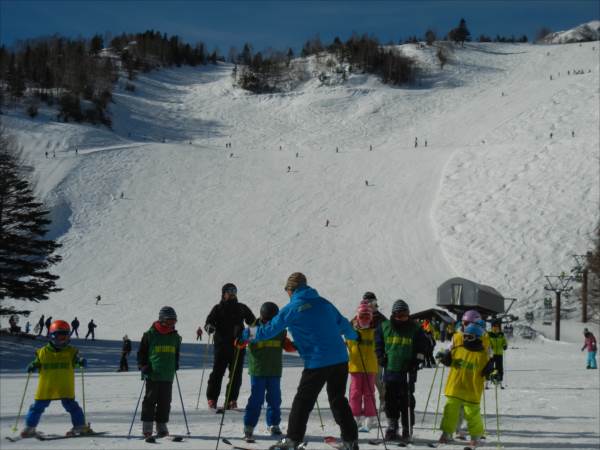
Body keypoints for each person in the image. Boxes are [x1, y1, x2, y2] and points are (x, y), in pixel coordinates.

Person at [241, 272, 360, 450]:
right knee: (338, 399)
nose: (287, 293)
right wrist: (355, 336)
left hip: (317, 361)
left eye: (287, 290)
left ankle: (292, 440)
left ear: (292, 289)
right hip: (340, 359)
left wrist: (246, 334)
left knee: (303, 402)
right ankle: (350, 441)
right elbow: (343, 324)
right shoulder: (324, 302)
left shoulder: (292, 308)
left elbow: (267, 330)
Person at [20, 320, 91, 438]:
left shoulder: (71, 351)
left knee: (72, 406)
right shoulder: (43, 352)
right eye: (59, 335)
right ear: (52, 335)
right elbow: (38, 362)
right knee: (37, 407)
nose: (62, 339)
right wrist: (33, 365)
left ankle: (79, 426)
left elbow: (77, 362)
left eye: (65, 335)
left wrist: (81, 362)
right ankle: (30, 428)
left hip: (65, 385)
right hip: (47, 385)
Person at [375, 299, 428, 443]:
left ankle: (407, 428)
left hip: (408, 371)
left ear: (408, 315)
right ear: (393, 314)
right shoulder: (384, 327)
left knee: (407, 401)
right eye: (399, 315)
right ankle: (392, 427)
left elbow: (423, 347)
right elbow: (378, 343)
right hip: (391, 369)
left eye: (405, 315)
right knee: (390, 400)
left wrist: (416, 360)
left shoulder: (415, 328)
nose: (402, 318)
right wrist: (380, 357)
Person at [435, 323, 495, 448]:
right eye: (465, 336)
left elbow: (488, 371)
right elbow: (449, 360)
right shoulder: (458, 349)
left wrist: (493, 373)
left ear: (478, 338)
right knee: (450, 411)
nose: (466, 339)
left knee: (472, 414)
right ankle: (447, 433)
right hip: (455, 387)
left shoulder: (483, 355)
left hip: (471, 390)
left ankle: (475, 436)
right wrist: (443, 357)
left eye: (470, 337)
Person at [242, 302, 295, 440]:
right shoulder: (254, 329)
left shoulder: (279, 330)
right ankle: (249, 426)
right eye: (267, 320)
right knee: (256, 399)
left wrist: (297, 345)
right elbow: (242, 340)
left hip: (274, 370)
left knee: (275, 399)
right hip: (258, 370)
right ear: (262, 317)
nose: (269, 323)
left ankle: (273, 424)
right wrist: (240, 340)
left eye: (272, 319)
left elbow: (286, 345)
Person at [204, 283, 256, 410]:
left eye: (234, 291)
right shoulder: (218, 308)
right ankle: (212, 398)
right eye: (229, 291)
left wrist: (250, 336)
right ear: (224, 293)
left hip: (238, 346)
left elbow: (253, 323)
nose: (232, 293)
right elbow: (209, 322)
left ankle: (231, 399)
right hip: (221, 346)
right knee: (217, 372)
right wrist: (209, 327)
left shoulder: (241, 308)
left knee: (236, 374)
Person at [137, 306, 181, 438]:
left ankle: (161, 425)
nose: (171, 324)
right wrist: (143, 365)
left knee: (165, 402)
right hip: (153, 373)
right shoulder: (149, 335)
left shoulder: (175, 337)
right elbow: (141, 353)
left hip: (168, 374)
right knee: (150, 400)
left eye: (174, 322)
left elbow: (176, 353)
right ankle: (147, 425)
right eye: (169, 321)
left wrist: (175, 364)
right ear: (162, 320)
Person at [347, 303, 378, 432]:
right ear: (357, 317)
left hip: (370, 367)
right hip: (355, 367)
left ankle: (370, 417)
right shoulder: (352, 332)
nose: (364, 319)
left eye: (367, 316)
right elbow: (347, 345)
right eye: (362, 316)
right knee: (355, 393)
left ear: (371, 318)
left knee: (369, 393)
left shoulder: (374, 333)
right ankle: (355, 415)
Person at [361, 292, 386, 410]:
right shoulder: (360, 315)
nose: (370, 305)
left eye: (372, 302)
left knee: (376, 379)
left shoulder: (381, 319)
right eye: (367, 302)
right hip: (363, 353)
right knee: (363, 380)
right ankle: (364, 404)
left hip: (376, 353)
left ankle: (383, 399)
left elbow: (387, 334)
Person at [488, 320, 508, 388]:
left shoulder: (501, 334)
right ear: (492, 327)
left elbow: (504, 341)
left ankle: (500, 381)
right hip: (491, 354)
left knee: (500, 368)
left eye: (497, 326)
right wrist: (490, 346)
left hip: (499, 353)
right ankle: (489, 380)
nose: (496, 328)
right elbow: (487, 342)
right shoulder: (489, 334)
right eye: (494, 326)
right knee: (490, 367)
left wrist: (505, 345)